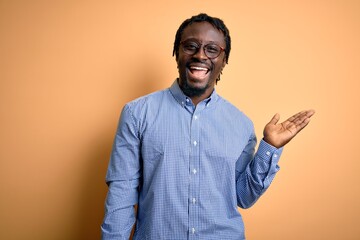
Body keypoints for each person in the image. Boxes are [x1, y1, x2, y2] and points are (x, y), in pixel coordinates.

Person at [101, 13, 315, 239]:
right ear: (176, 53)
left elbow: (242, 196)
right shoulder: (137, 114)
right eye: (191, 46)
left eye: (212, 49)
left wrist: (269, 147)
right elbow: (121, 197)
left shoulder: (241, 124)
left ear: (224, 60)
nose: (200, 55)